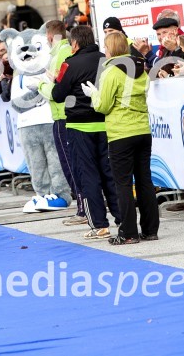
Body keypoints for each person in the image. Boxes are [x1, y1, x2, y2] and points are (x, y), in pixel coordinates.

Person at [86, 31, 158, 245]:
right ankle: (150, 229)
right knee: (145, 180)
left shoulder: (110, 72)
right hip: (142, 131)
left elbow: (103, 106)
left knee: (123, 184)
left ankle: (128, 233)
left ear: (110, 49)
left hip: (121, 133)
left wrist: (94, 95)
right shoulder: (141, 70)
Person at [51, 26, 121, 240]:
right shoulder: (105, 60)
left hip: (79, 126)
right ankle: (123, 219)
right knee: (111, 175)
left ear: (75, 43)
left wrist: (55, 81)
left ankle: (99, 224)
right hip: (105, 123)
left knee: (88, 176)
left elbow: (58, 95)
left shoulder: (69, 64)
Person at [36, 20, 86, 225]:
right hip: (67, 113)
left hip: (63, 114)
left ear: (49, 37)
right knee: (73, 162)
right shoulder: (62, 52)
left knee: (70, 163)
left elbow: (59, 89)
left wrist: (40, 86)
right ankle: (85, 206)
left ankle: (83, 208)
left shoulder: (60, 54)